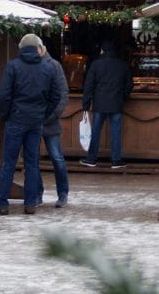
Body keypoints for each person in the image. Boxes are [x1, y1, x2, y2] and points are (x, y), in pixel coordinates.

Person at [0, 34, 58, 216]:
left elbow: (4, 95)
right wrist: (43, 114)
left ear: (21, 48)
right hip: (36, 121)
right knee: (32, 163)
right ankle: (30, 203)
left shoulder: (13, 66)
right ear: (38, 48)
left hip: (16, 119)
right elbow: (55, 96)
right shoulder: (48, 68)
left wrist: (6, 115)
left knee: (8, 163)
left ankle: (2, 203)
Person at [80, 41, 132, 169]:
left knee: (95, 132)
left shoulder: (96, 64)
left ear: (102, 50)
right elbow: (129, 84)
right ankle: (116, 160)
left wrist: (86, 104)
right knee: (116, 132)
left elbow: (89, 85)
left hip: (99, 103)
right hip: (116, 103)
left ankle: (91, 159)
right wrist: (122, 97)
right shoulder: (122, 64)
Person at [35, 45, 69, 208]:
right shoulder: (31, 65)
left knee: (57, 158)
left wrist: (53, 115)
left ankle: (63, 193)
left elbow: (63, 93)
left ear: (42, 48)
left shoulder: (54, 65)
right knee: (32, 159)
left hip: (50, 120)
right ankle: (37, 193)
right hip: (33, 119)